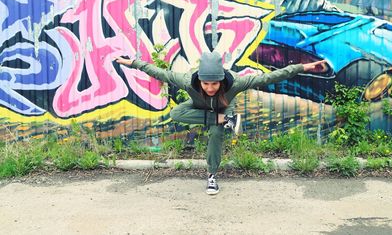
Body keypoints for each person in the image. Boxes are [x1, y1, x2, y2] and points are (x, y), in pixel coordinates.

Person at [115, 52, 326, 195]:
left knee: (216, 135)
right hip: (202, 109)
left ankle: (212, 175)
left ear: (221, 80)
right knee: (177, 112)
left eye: (214, 83)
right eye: (205, 83)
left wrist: (302, 66)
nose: (209, 88)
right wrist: (133, 63)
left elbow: (270, 77)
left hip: (224, 109)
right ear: (199, 79)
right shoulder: (188, 81)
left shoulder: (237, 83)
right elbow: (158, 72)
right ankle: (227, 122)